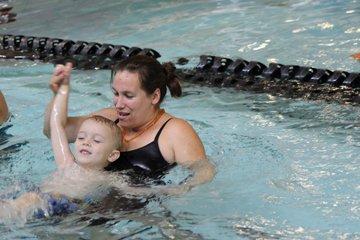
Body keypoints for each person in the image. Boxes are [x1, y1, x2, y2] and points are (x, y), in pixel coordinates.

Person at [44, 55, 215, 193]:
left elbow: (203, 173)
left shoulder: (174, 131)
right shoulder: (108, 119)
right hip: (87, 202)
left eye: (128, 95)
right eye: (116, 93)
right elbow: (55, 131)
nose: (118, 103)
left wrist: (175, 190)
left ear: (154, 97)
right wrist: (57, 94)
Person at [0, 63, 127, 222]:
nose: (86, 143)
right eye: (81, 138)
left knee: (30, 198)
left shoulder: (110, 178)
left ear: (113, 155)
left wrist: (166, 190)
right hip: (43, 202)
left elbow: (136, 192)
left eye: (96, 140)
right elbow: (56, 125)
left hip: (65, 207)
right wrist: (63, 90)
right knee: (18, 191)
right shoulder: (67, 163)